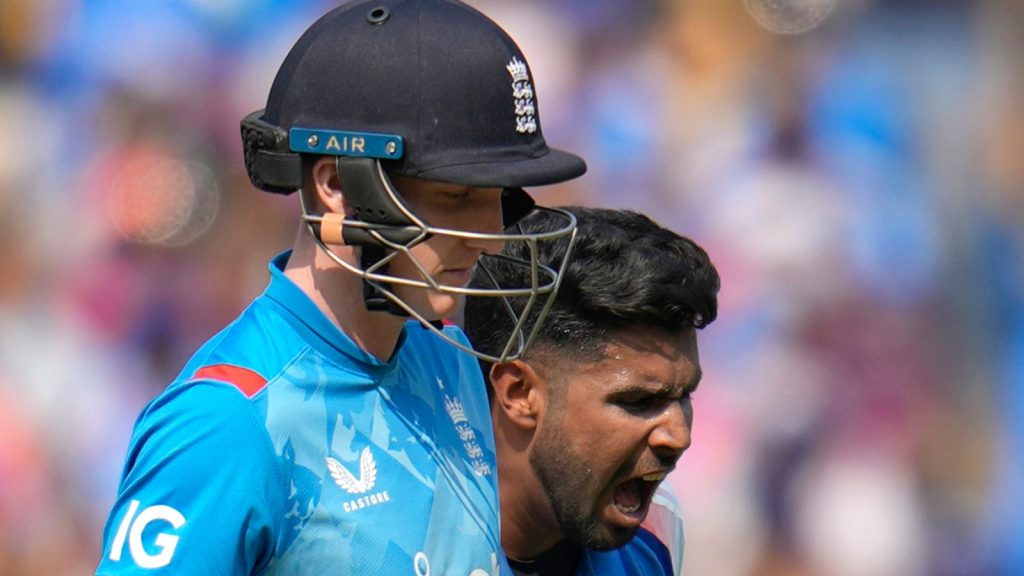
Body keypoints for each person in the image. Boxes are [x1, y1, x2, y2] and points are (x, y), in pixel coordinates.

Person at [96, 0, 586, 574]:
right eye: (458, 198)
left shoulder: (448, 360)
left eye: (498, 202)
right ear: (336, 185)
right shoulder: (230, 421)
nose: (492, 240)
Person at [464, 206, 720, 575]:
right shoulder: (397, 539)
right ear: (519, 393)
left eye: (684, 396)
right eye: (639, 402)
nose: (679, 437)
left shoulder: (655, 535)